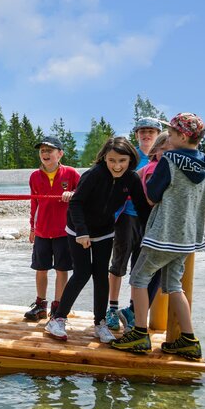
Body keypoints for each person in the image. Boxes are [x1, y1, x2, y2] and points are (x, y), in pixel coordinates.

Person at [111, 113, 205, 360]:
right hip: (188, 238)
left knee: (138, 278)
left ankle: (138, 333)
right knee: (174, 286)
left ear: (181, 135)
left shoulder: (169, 160)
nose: (166, 136)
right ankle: (188, 340)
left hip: (162, 234)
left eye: (170, 132)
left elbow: (153, 196)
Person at [44, 137, 150, 343]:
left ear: (130, 160)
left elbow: (142, 208)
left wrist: (151, 232)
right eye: (112, 160)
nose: (117, 166)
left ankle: (100, 323)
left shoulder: (131, 179)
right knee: (82, 273)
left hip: (105, 230)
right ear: (104, 158)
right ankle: (57, 319)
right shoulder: (93, 175)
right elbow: (76, 204)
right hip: (78, 230)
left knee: (101, 275)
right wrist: (82, 232)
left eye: (122, 161)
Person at [106, 117, 164, 331]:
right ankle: (112, 309)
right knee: (118, 263)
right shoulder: (131, 157)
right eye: (142, 131)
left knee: (140, 267)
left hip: (150, 219)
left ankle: (132, 310)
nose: (146, 135)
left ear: (158, 134)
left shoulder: (162, 157)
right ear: (137, 134)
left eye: (151, 131)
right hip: (126, 216)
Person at [23, 136, 79, 321]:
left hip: (64, 231)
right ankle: (40, 305)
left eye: (50, 150)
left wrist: (73, 194)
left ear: (60, 154)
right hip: (42, 231)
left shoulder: (71, 173)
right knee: (41, 268)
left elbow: (84, 194)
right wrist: (32, 227)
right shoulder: (34, 176)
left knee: (62, 269)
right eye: (42, 151)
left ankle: (58, 306)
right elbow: (34, 203)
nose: (45, 154)